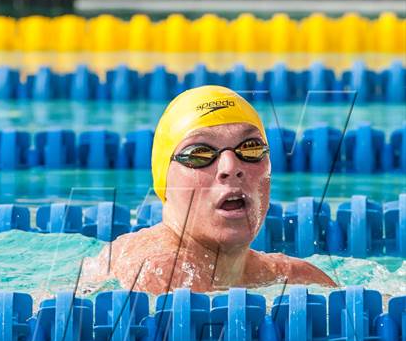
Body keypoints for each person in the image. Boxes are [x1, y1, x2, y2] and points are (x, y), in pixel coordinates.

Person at [80, 85, 336, 294]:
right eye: (199, 153)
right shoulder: (160, 270)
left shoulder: (291, 277)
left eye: (250, 148)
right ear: (164, 181)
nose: (230, 166)